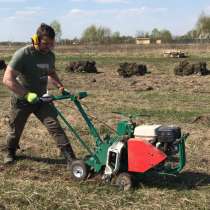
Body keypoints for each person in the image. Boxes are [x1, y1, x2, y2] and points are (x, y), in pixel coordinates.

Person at [2, 23, 76, 165]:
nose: (48, 47)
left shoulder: (49, 56)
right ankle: (10, 151)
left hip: (42, 100)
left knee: (55, 126)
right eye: (45, 44)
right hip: (22, 100)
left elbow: (51, 72)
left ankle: (71, 159)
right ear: (35, 39)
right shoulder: (23, 55)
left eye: (51, 44)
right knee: (15, 130)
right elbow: (7, 79)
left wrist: (60, 86)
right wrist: (27, 94)